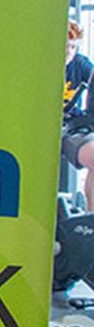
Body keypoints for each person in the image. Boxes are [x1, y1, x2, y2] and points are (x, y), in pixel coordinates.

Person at [63, 19, 94, 208]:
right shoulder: (37, 67)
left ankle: (91, 221)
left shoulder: (81, 64)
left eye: (73, 47)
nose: (68, 52)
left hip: (69, 129)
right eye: (65, 46)